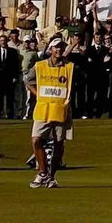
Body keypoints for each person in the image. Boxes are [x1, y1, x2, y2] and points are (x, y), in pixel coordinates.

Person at [26, 36, 74, 188]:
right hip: (43, 109)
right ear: (50, 49)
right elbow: (27, 79)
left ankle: (51, 177)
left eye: (61, 47)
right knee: (36, 140)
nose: (59, 49)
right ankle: (42, 172)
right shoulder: (40, 66)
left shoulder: (69, 67)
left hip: (61, 109)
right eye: (56, 47)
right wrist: (37, 94)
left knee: (59, 143)